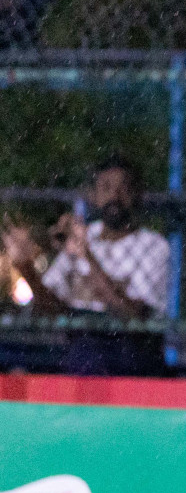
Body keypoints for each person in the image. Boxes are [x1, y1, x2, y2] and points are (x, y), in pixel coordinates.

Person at [2, 154, 170, 375]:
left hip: (126, 351)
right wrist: (25, 266)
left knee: (88, 355)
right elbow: (50, 309)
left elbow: (132, 318)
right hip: (76, 345)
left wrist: (86, 258)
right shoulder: (83, 236)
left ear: (137, 193)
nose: (115, 197)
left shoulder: (153, 245)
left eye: (123, 189)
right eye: (106, 188)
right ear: (93, 195)